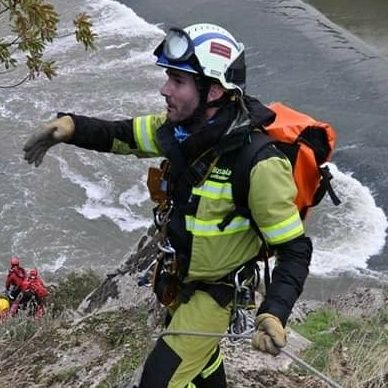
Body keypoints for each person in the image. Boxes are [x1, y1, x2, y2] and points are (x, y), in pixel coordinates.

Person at [23, 23, 312, 387]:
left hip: (214, 296)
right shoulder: (181, 133)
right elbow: (122, 135)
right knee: (203, 367)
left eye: (178, 81)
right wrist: (70, 127)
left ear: (215, 90)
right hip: (179, 285)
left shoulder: (258, 163)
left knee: (157, 382)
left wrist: (275, 311)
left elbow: (295, 248)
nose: (164, 89)